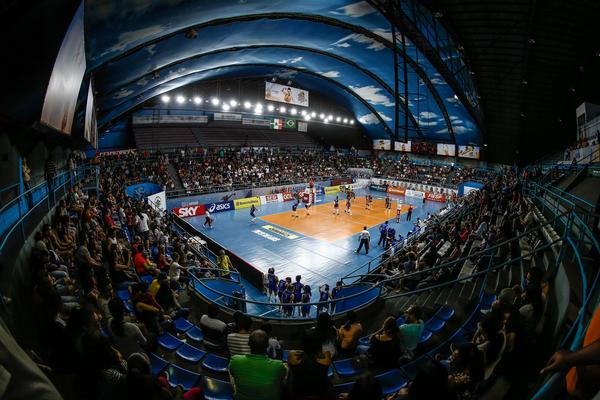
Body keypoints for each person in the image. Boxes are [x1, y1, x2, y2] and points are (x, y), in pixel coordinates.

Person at [229, 330, 286, 400]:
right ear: (267, 346)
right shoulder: (278, 365)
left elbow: (233, 373)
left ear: (248, 343)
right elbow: (283, 377)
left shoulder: (235, 360)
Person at [287, 330, 334, 400]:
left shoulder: (292, 355)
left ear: (303, 343)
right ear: (319, 344)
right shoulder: (326, 356)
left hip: (298, 391)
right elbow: (320, 353)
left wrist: (307, 351)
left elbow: (292, 362)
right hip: (321, 390)